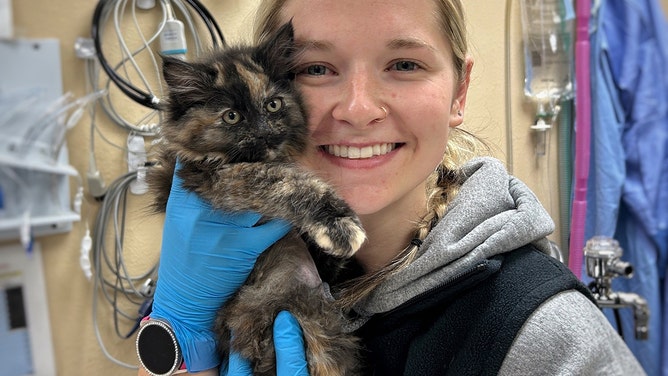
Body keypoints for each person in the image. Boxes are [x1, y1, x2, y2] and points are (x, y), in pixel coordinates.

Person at [139, 0, 646, 375]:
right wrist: (177, 337)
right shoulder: (218, 252)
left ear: (459, 91)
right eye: (315, 69)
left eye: (404, 64)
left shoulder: (546, 336)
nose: (359, 110)